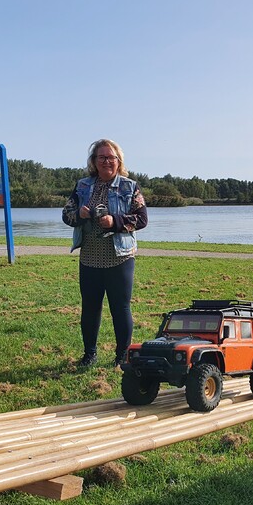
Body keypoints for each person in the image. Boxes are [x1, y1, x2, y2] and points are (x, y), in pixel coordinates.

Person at [62, 139, 147, 368]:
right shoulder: (82, 186)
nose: (107, 162)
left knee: (120, 308)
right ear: (94, 161)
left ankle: (122, 356)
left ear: (118, 161)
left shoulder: (130, 187)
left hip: (120, 258)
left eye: (111, 158)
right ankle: (89, 355)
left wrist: (115, 221)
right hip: (89, 258)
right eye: (102, 157)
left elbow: (142, 219)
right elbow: (66, 215)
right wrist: (80, 214)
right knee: (90, 307)